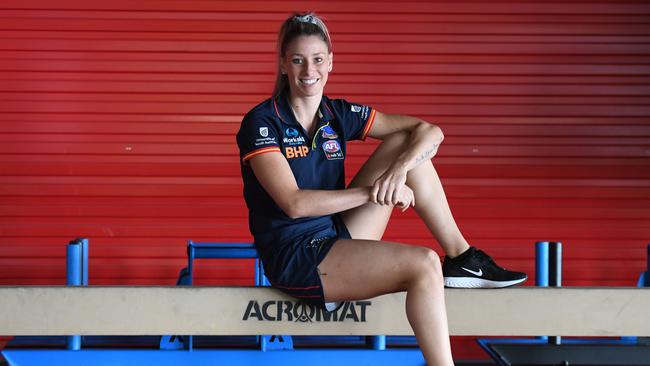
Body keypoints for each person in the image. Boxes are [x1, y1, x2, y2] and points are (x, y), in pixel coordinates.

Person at [237, 12, 527, 365]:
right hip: (298, 257)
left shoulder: (336, 113)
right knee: (423, 264)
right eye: (297, 60)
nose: (308, 70)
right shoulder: (263, 122)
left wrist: (398, 172)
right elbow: (294, 204)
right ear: (283, 64)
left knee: (407, 143)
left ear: (330, 62)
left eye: (316, 59)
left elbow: (429, 131)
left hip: (335, 234)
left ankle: (463, 258)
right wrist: (375, 192)